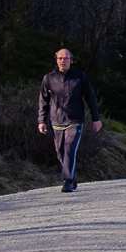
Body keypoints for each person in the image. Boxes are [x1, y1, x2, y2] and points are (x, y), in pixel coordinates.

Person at [37, 48, 103, 193]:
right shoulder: (48, 78)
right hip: (56, 121)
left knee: (69, 149)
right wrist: (41, 120)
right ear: (56, 60)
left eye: (66, 58)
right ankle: (72, 178)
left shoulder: (80, 77)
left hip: (75, 120)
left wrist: (96, 118)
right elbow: (43, 100)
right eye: (60, 58)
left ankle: (67, 181)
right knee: (60, 152)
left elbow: (90, 97)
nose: (63, 61)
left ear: (71, 61)